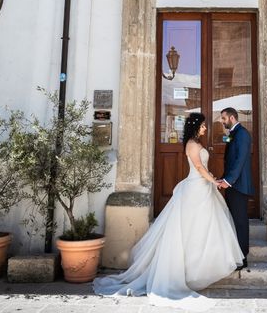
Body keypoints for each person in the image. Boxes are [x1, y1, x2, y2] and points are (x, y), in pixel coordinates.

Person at [93, 113, 243, 311]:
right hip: (195, 190)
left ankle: (199, 266)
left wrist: (211, 179)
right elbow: (198, 167)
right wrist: (214, 181)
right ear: (196, 126)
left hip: (203, 189)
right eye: (204, 125)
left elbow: (202, 166)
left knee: (203, 228)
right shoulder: (191, 144)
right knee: (191, 229)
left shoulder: (196, 143)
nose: (206, 128)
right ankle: (188, 271)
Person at [217, 107, 254, 270]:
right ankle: (235, 254)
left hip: (239, 186)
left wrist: (229, 181)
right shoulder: (233, 134)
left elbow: (240, 161)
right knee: (233, 220)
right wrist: (223, 179)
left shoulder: (243, 134)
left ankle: (243, 257)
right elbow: (230, 161)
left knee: (240, 222)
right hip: (232, 185)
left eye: (223, 118)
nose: (221, 121)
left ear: (232, 118)